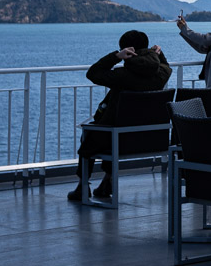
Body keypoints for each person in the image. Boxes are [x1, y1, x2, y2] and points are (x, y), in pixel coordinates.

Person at [68, 30, 171, 201]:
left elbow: (92, 73)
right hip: (148, 138)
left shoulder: (122, 76)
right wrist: (158, 55)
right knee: (109, 132)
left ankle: (83, 186)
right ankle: (106, 182)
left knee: (90, 135)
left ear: (127, 50)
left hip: (118, 138)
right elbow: (166, 66)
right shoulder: (161, 75)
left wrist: (116, 56)